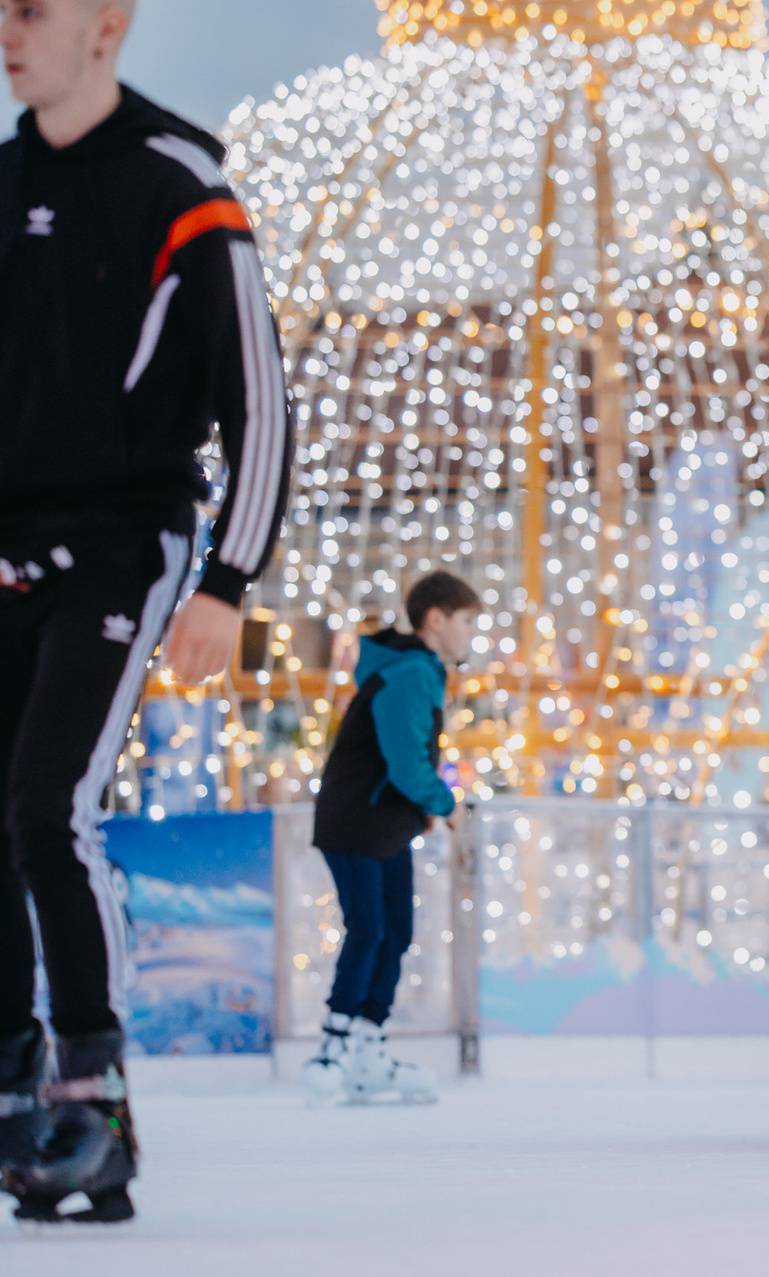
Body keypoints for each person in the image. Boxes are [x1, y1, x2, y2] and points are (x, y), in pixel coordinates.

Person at [1, 0, 291, 1223]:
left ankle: (94, 1094)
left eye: (33, 10)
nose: (10, 32)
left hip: (129, 542)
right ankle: (20, 1076)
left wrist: (226, 579)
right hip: (10, 546)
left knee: (47, 802)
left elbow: (260, 401)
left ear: (106, 26)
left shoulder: (184, 186)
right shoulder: (6, 182)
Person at [304, 572, 479, 1107]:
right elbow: (405, 761)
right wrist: (445, 804)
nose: (473, 635)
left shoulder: (417, 669)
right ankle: (333, 1050)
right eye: (468, 622)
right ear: (435, 619)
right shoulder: (409, 672)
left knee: (396, 930)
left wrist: (422, 806)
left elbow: (406, 757)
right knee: (371, 928)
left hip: (382, 821)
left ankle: (367, 1047)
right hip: (358, 818)